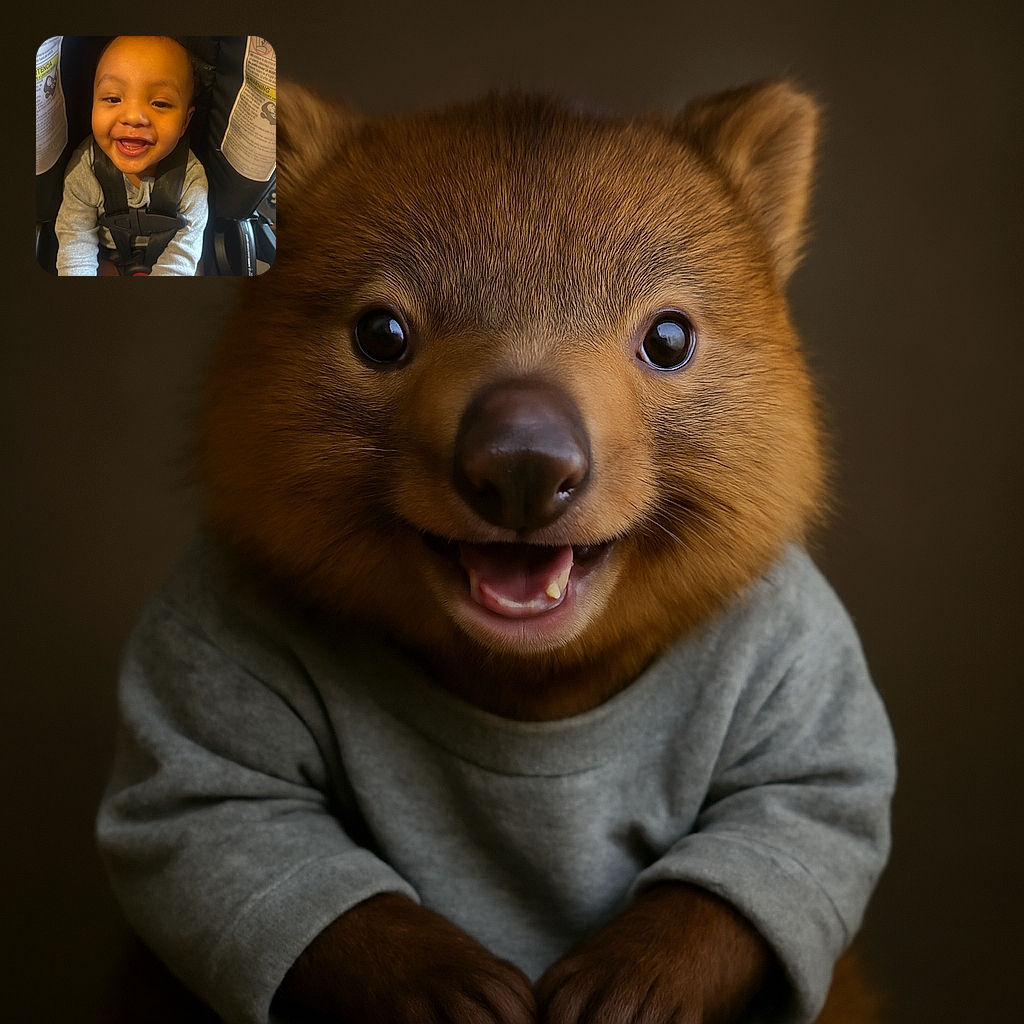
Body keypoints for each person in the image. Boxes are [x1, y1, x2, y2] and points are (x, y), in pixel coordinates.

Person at [55, 36, 208, 276]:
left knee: (198, 269)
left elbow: (183, 251)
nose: (134, 117)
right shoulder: (85, 168)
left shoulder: (191, 178)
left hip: (168, 258)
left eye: (159, 103)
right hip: (108, 258)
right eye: (113, 99)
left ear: (184, 122)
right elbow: (75, 242)